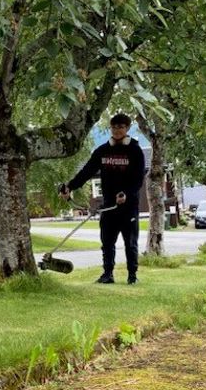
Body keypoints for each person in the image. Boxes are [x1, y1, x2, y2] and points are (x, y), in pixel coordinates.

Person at [59, 114, 145, 285]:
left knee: (130, 243)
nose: (117, 130)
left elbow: (138, 179)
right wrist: (70, 186)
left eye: (121, 127)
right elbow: (87, 171)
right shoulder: (102, 151)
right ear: (110, 129)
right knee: (107, 242)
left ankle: (132, 276)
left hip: (129, 207)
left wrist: (126, 193)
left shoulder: (135, 151)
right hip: (108, 207)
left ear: (127, 128)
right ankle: (107, 274)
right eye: (114, 127)